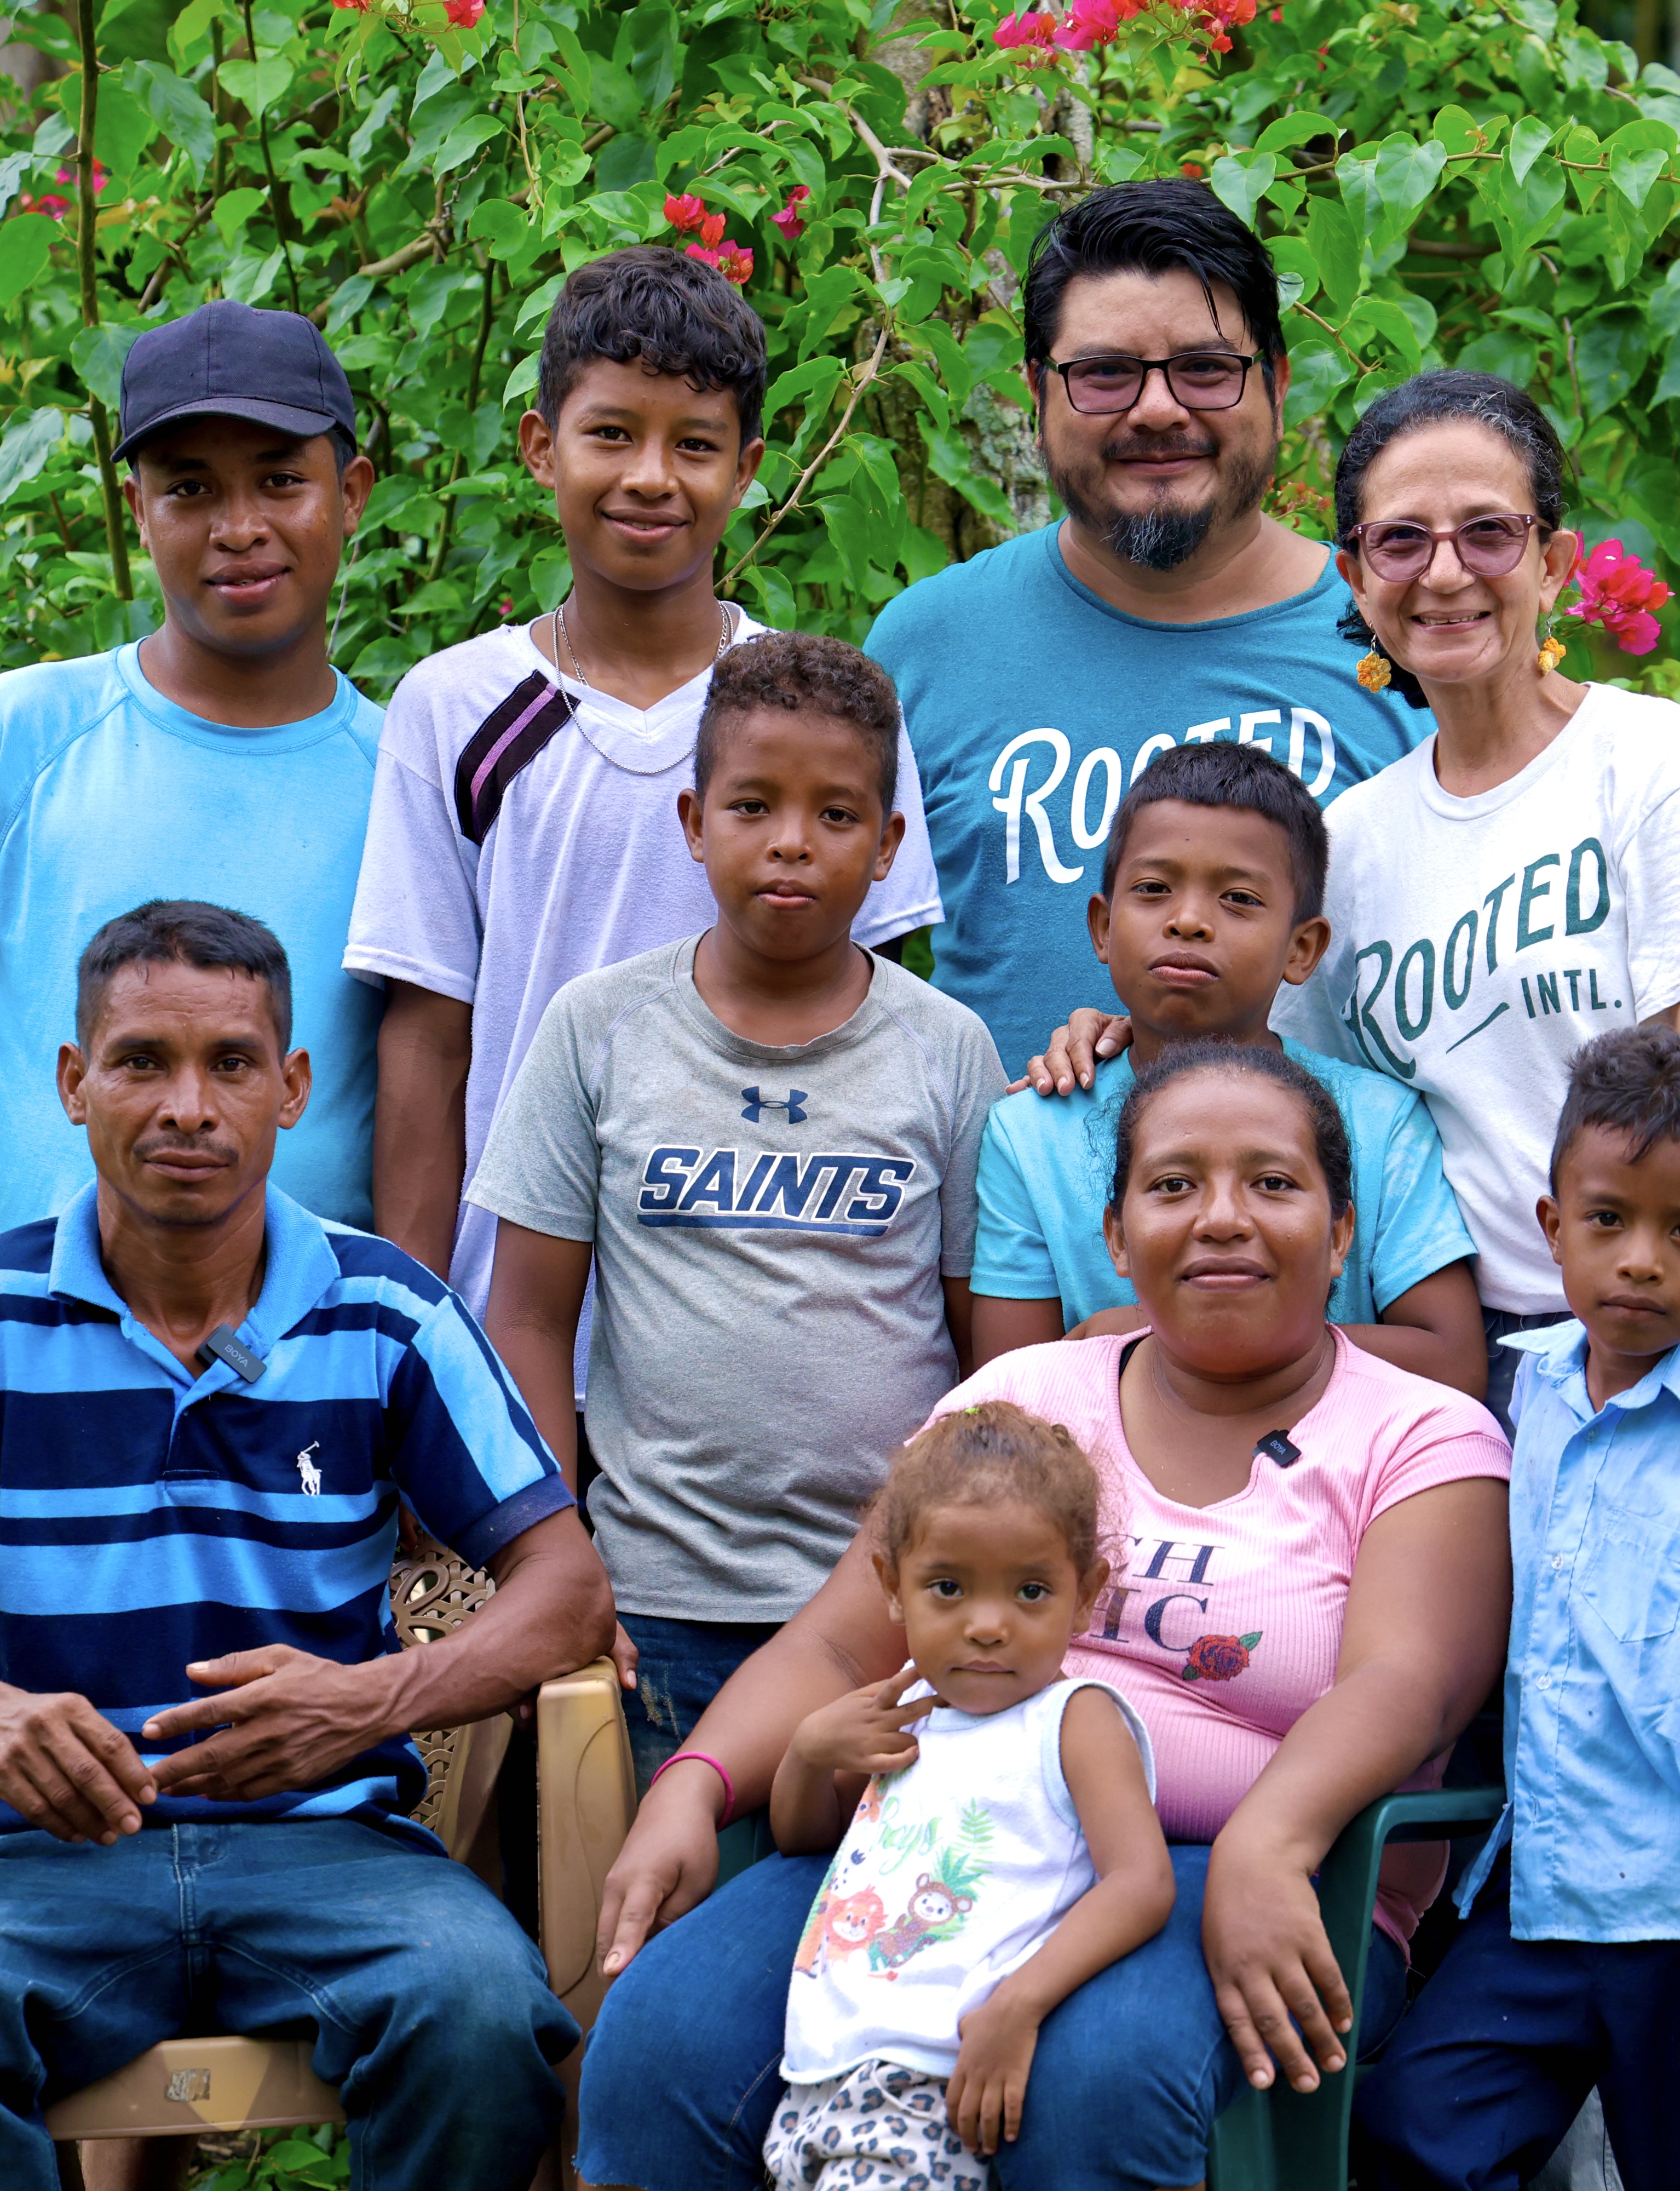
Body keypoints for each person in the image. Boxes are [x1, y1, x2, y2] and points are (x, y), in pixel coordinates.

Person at [576, 1041, 1512, 2191]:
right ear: (1116, 1235)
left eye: (1273, 1183)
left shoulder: (1421, 1434)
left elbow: (1408, 1685)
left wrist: (1270, 1840)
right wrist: (694, 1782)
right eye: (1174, 1184)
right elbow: (840, 1638)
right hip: (939, 1838)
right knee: (662, 2045)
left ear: (1341, 1231)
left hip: (1251, 1864)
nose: (1222, 1218)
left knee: (1099, 2080)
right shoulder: (1025, 1400)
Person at [0, 902, 613, 2191]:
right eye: (141, 1061)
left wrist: (369, 1700)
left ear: (292, 1088)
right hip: (50, 1863)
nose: (188, 1106)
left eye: (231, 1062)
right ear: (75, 1083)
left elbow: (566, 1585)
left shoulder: (388, 1312)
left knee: (480, 2011)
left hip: (336, 1856)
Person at [1034, 371, 1680, 1425]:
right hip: (1469, 1361)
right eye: (1402, 541)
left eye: (1489, 534)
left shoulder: (1656, 767)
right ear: (1356, 578)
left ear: (1554, 564)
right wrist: (1125, 1033)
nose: (1446, 573)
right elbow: (1282, 1078)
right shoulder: (1353, 844)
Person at [0, 300, 390, 1389]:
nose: (239, 526)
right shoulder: (12, 742)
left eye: (279, 480)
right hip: (26, 1388)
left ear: (350, 495)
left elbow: (440, 1092)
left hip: (309, 1394)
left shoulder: (407, 783)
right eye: (189, 489)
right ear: (137, 511)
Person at [348, 245, 943, 1327]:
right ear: (542, 447)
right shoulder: (450, 709)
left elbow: (876, 1032)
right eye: (612, 433)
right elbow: (429, 1044)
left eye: (695, 444)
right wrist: (414, 1336)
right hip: (511, 1324)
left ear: (747, 468)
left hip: (765, 1321)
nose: (651, 477)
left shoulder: (827, 720)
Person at [1354, 1025, 1680, 2191]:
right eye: (1608, 1220)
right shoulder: (1527, 1394)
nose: (1640, 1261)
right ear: (1554, 1226)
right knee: (1413, 2131)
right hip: (1545, 1904)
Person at [468, 635, 1006, 1781]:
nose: (791, 841)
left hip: (891, 1605)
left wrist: (963, 1576)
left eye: (836, 815)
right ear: (695, 822)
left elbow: (991, 1353)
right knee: (656, 1877)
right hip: (655, 1602)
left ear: (889, 845)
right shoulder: (600, 1028)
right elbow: (527, 1317)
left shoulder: (946, 1050)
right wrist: (558, 1560)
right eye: (753, 805)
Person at [864, 179, 1423, 1068]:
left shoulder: (1403, 647)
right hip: (1004, 1160)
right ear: (1035, 394)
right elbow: (837, 997)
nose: (1158, 409)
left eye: (1206, 368)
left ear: (1277, 384)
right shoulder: (927, 646)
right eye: (1105, 374)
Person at [970, 741, 1482, 1395]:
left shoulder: (1381, 1122)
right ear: (1103, 927)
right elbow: (1003, 1398)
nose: (1188, 921)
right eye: (1153, 889)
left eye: (1238, 898)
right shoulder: (1029, 1135)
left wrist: (1153, 1337)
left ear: (1302, 948)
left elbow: (1453, 1363)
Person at [766, 1403, 1175, 2187]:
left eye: (1031, 1591)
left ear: (1087, 1595)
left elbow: (1141, 1882)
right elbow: (805, 1838)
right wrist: (808, 1756)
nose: (988, 1626)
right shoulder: (909, 1704)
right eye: (948, 1587)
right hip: (819, 2072)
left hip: (934, 2074)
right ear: (892, 1586)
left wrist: (1019, 2004)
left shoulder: (1074, 1719)